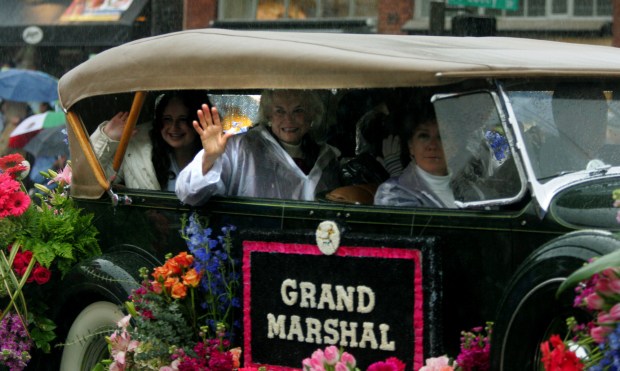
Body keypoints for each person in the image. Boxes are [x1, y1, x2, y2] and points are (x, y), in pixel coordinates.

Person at [175, 89, 341, 205]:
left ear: (311, 114)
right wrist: (209, 158)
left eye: (298, 111)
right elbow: (190, 194)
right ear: (268, 114)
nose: (289, 120)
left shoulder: (326, 157)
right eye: (280, 111)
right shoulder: (239, 147)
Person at [91, 90, 206, 191]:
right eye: (167, 119)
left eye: (183, 119)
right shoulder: (137, 150)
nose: (174, 127)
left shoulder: (219, 153)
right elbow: (90, 182)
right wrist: (107, 137)